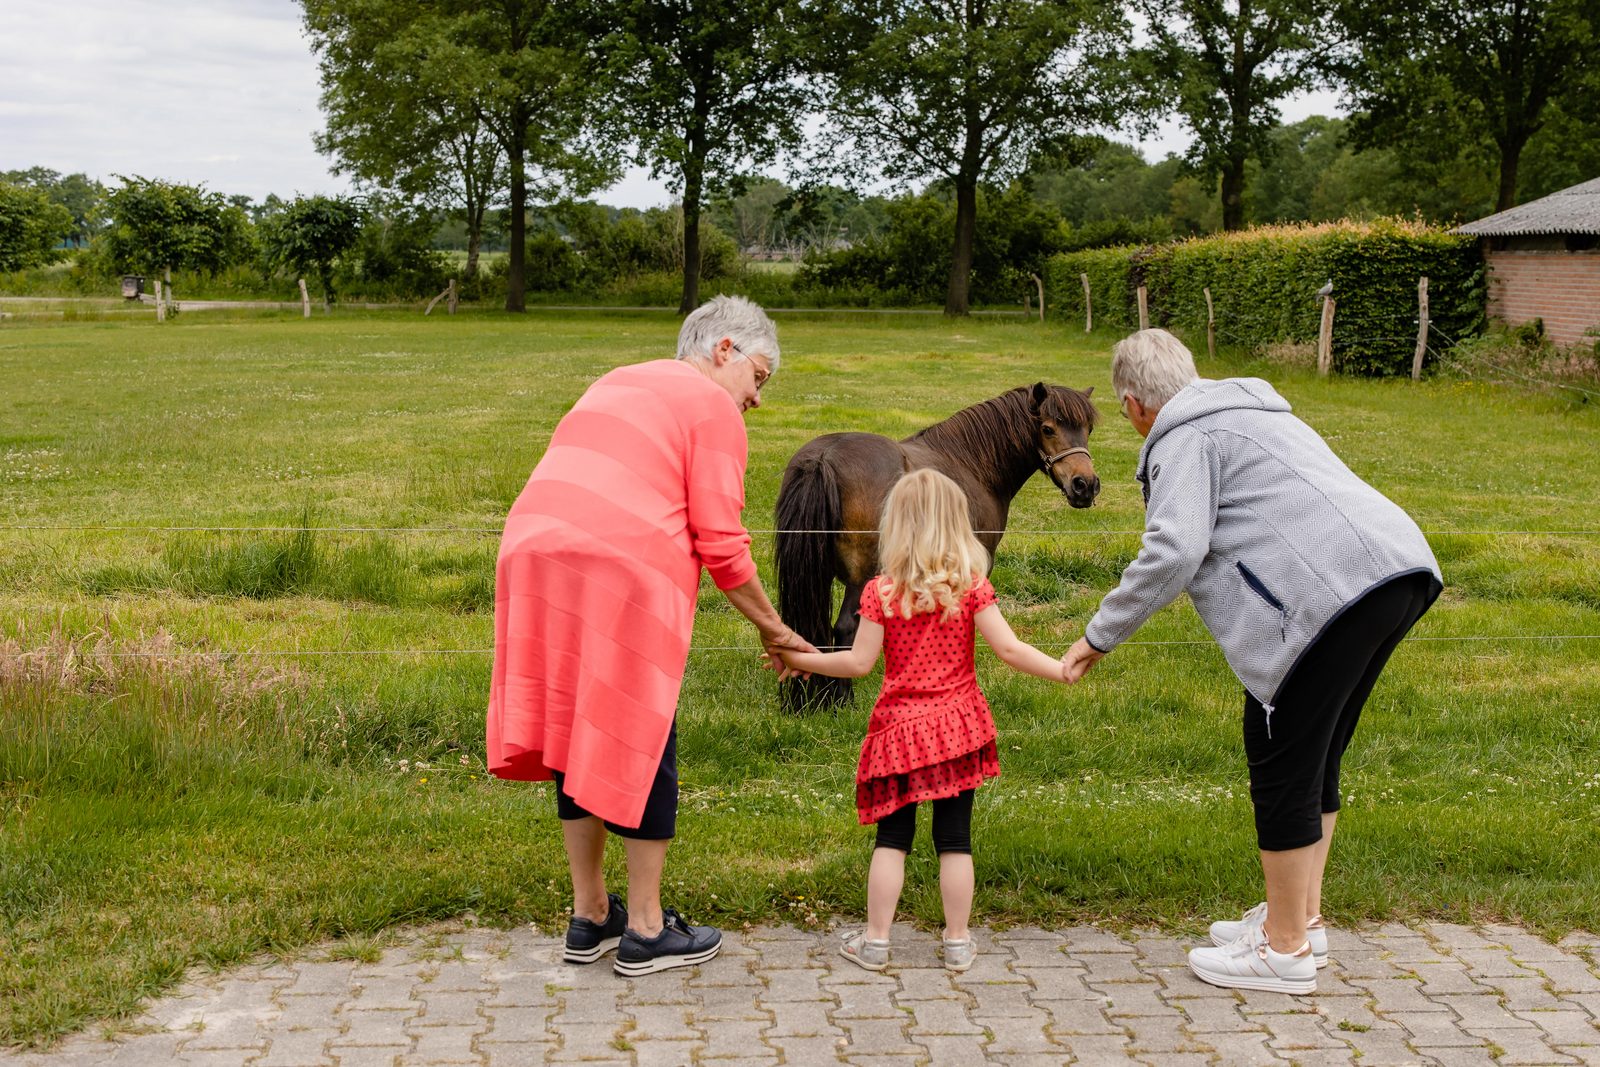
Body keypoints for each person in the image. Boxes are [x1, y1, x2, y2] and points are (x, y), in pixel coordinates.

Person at [1060, 329, 1441, 995]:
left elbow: (1175, 549)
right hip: (1395, 569)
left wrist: (1098, 635)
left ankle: (1284, 950)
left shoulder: (1184, 437)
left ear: (1132, 403)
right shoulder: (1250, 408)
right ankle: (1302, 917)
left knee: (1283, 759)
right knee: (1317, 754)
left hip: (1326, 598)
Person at [486, 295, 816, 977]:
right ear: (723, 348)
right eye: (759, 378)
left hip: (532, 550)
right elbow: (722, 541)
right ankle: (643, 928)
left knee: (578, 733)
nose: (756, 399)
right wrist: (777, 631)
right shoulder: (711, 405)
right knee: (641, 731)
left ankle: (590, 915)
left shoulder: (619, 377)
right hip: (618, 567)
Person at [774, 468, 1070, 973]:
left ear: (896, 527)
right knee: (955, 840)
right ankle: (957, 943)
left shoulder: (881, 593)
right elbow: (1010, 648)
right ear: (957, 525)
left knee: (892, 841)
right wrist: (1061, 669)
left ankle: (875, 942)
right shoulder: (971, 587)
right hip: (958, 728)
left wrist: (800, 659)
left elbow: (856, 664)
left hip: (899, 734)